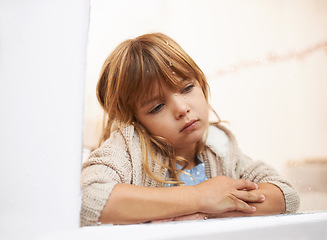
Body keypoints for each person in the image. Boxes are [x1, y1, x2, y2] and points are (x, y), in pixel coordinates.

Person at [80, 33, 300, 226]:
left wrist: (209, 212)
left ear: (201, 83)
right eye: (157, 107)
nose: (182, 109)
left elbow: (285, 194)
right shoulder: (129, 148)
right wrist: (199, 197)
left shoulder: (219, 147)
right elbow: (87, 197)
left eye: (187, 88)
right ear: (134, 121)